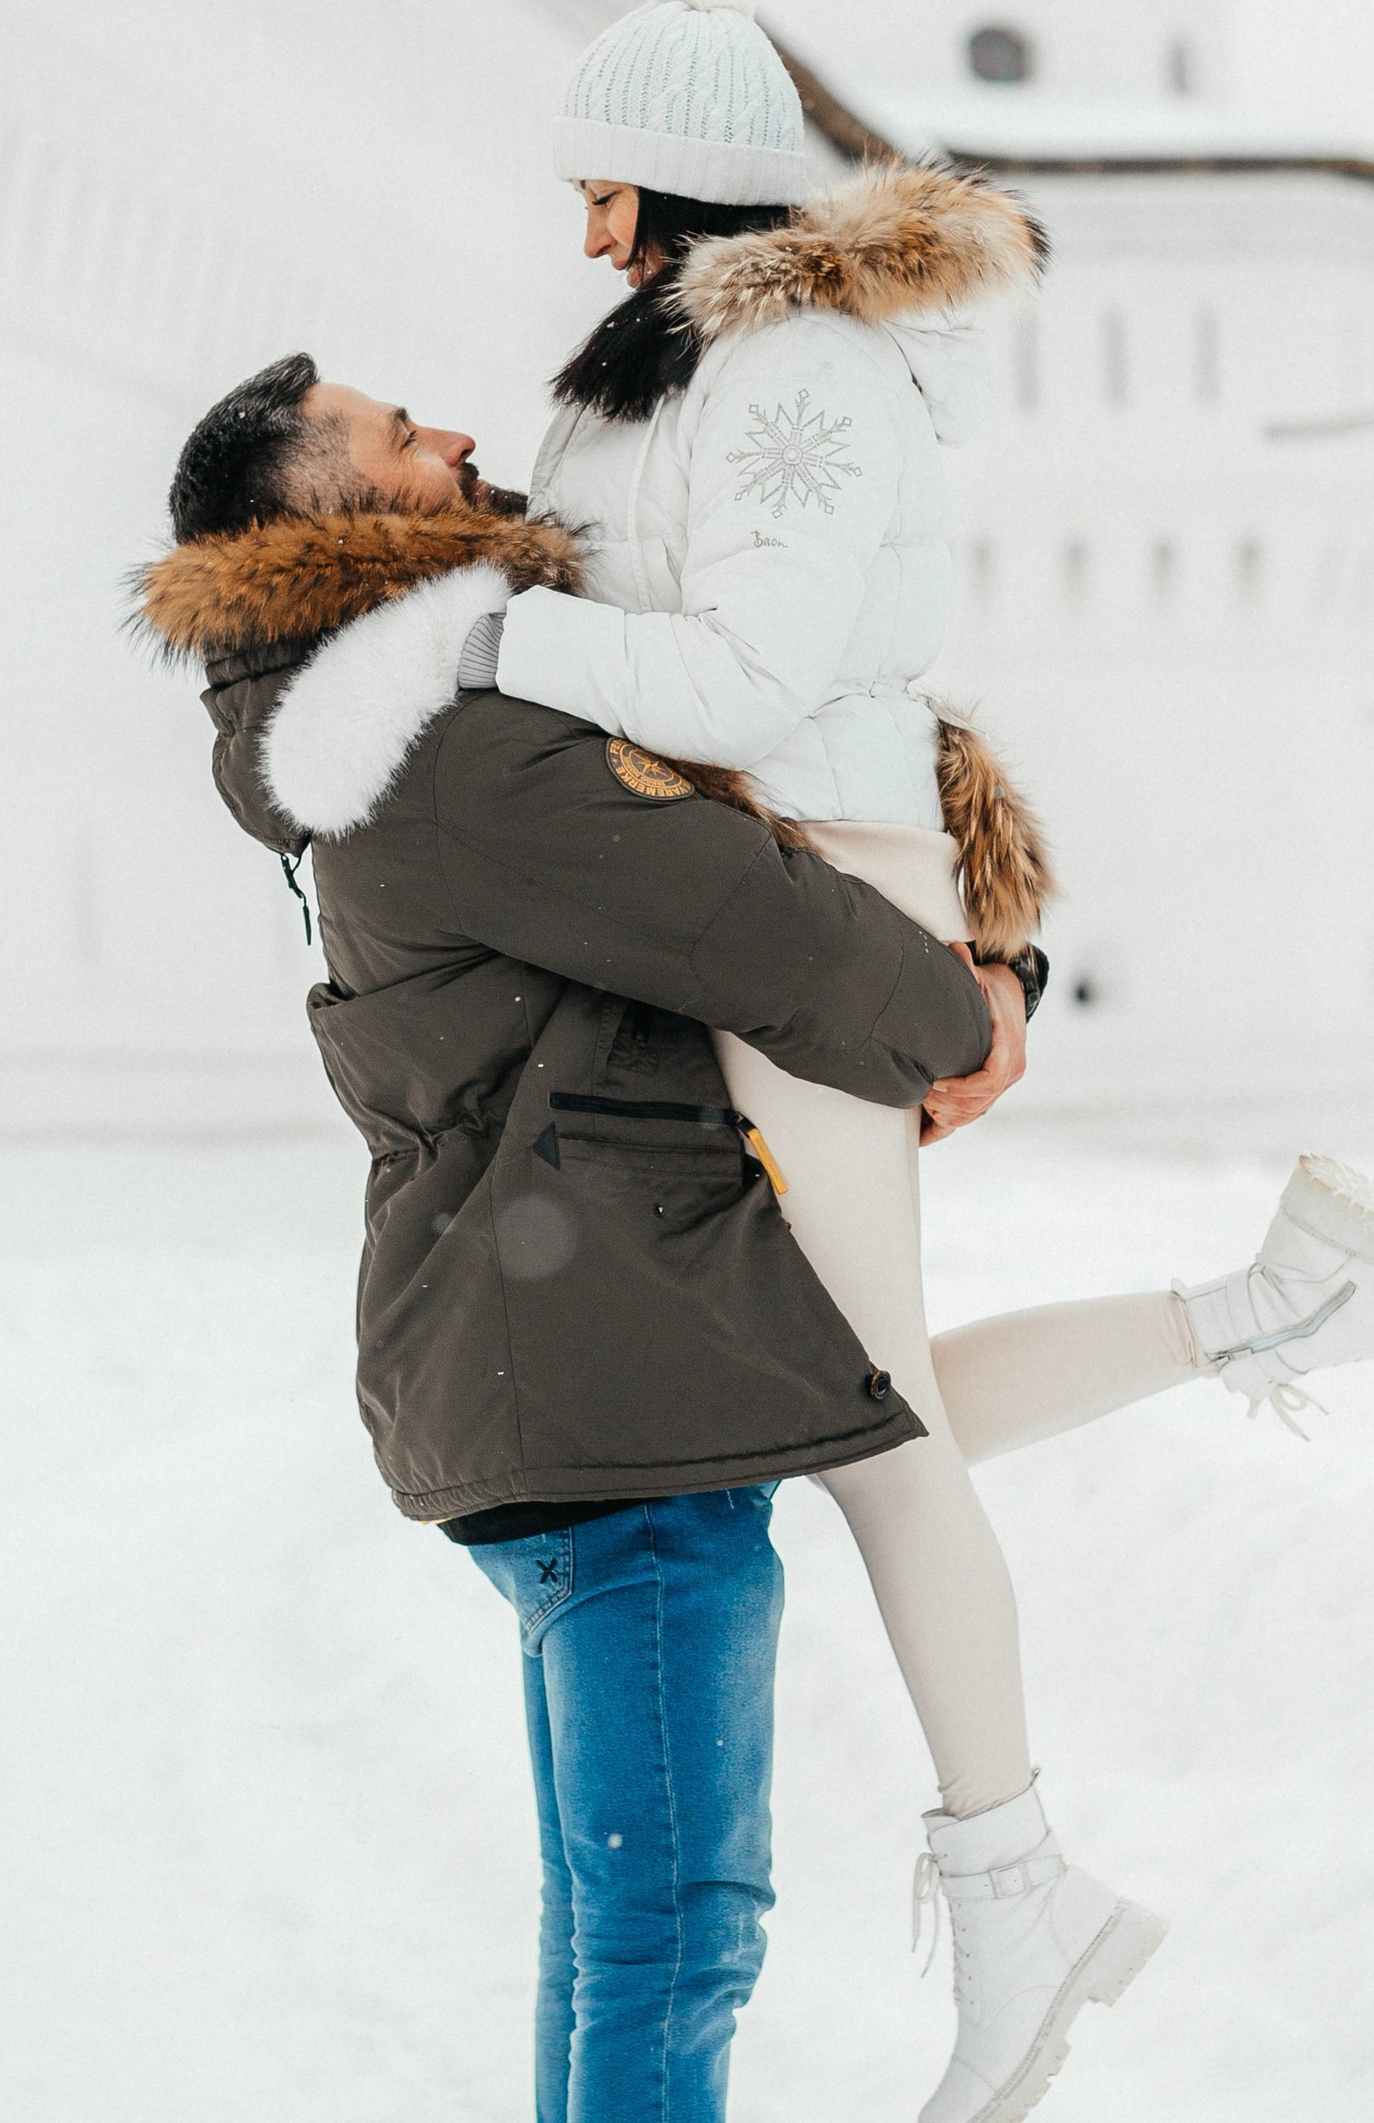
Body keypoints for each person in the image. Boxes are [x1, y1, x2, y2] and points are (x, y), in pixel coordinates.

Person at [351, 0, 1374, 2123]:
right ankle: (1266, 1309)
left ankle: (1015, 1879)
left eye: (601, 194)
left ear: (668, 188)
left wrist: (489, 639)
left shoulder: (800, 374)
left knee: (863, 1427)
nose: (577, 233)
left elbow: (733, 684)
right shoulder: (654, 378)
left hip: (825, 899)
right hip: (766, 894)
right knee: (854, 1395)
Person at [136, 363, 1021, 2123]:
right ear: (333, 518)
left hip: (556, 1394)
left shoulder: (364, 734)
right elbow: (755, 924)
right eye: (402, 439)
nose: (455, 435)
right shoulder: (449, 756)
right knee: (673, 1939)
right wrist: (970, 1013)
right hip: (614, 1413)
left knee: (624, 1933)